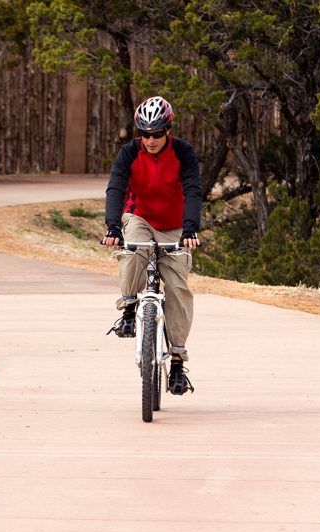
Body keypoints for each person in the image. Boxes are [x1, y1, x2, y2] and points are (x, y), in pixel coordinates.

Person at [102, 96, 203, 395]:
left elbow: (193, 189)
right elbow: (116, 188)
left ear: (167, 130)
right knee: (134, 251)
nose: (150, 140)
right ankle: (130, 310)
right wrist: (112, 226)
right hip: (141, 217)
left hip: (175, 226)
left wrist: (190, 229)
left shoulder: (183, 152)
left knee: (178, 289)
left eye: (157, 134)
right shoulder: (128, 153)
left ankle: (176, 365)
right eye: (144, 134)